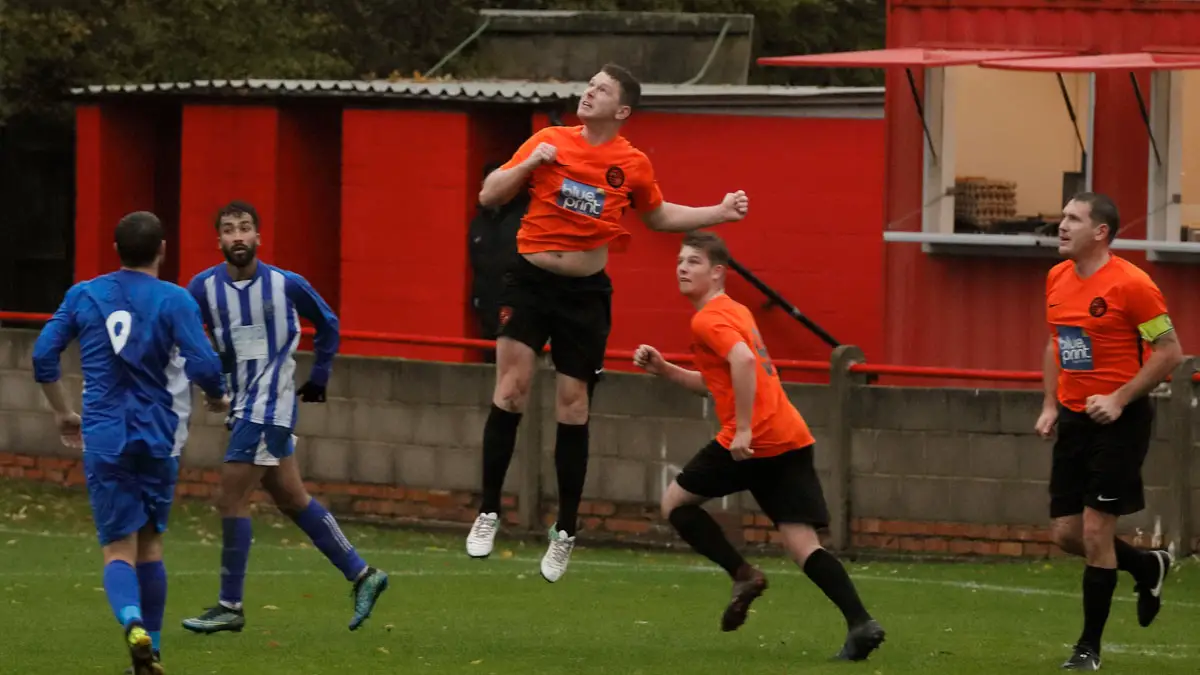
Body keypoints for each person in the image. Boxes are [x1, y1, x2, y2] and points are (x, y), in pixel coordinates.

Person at [465, 62, 750, 583]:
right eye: (588, 85)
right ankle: (488, 511)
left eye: (601, 89)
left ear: (621, 110)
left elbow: (658, 216)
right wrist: (530, 165)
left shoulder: (631, 163)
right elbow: (489, 194)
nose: (588, 92)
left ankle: (566, 530)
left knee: (573, 406)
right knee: (512, 388)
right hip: (527, 280)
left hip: (584, 294)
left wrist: (719, 212)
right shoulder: (548, 139)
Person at [632, 231, 885, 661]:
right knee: (803, 545)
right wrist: (665, 369)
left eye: (692, 261)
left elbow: (744, 363)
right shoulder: (735, 312)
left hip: (754, 440)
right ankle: (861, 623)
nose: (681, 267)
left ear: (717, 273)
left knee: (674, 504)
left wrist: (744, 429)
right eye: (679, 260)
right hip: (789, 436)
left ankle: (743, 574)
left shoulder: (708, 319)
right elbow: (720, 381)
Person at [32, 211, 229, 675]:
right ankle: (151, 654)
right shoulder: (176, 299)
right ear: (162, 249)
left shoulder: (85, 294)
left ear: (116, 250)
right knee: (152, 546)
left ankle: (132, 622)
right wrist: (218, 397)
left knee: (118, 550)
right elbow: (202, 362)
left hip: (104, 434)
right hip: (157, 434)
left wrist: (63, 412)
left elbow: (43, 354)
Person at [180, 201, 389, 635]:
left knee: (229, 498)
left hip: (270, 406)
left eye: (244, 228)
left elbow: (329, 324)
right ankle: (363, 574)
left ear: (258, 237)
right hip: (241, 406)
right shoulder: (202, 289)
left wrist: (320, 378)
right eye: (228, 230)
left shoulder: (285, 284)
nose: (237, 236)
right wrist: (213, 386)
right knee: (292, 499)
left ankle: (230, 605)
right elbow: (190, 340)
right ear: (218, 240)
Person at [1036, 192, 1182, 671]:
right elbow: (1058, 344)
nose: (1061, 225)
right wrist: (1050, 404)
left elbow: (1169, 352)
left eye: (1073, 219)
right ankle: (1146, 565)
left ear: (1100, 232)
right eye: (1062, 217)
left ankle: (1087, 650)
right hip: (1075, 416)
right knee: (1066, 533)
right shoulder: (1057, 278)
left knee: (1097, 531)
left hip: (1120, 420)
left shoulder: (1133, 285)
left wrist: (1118, 399)